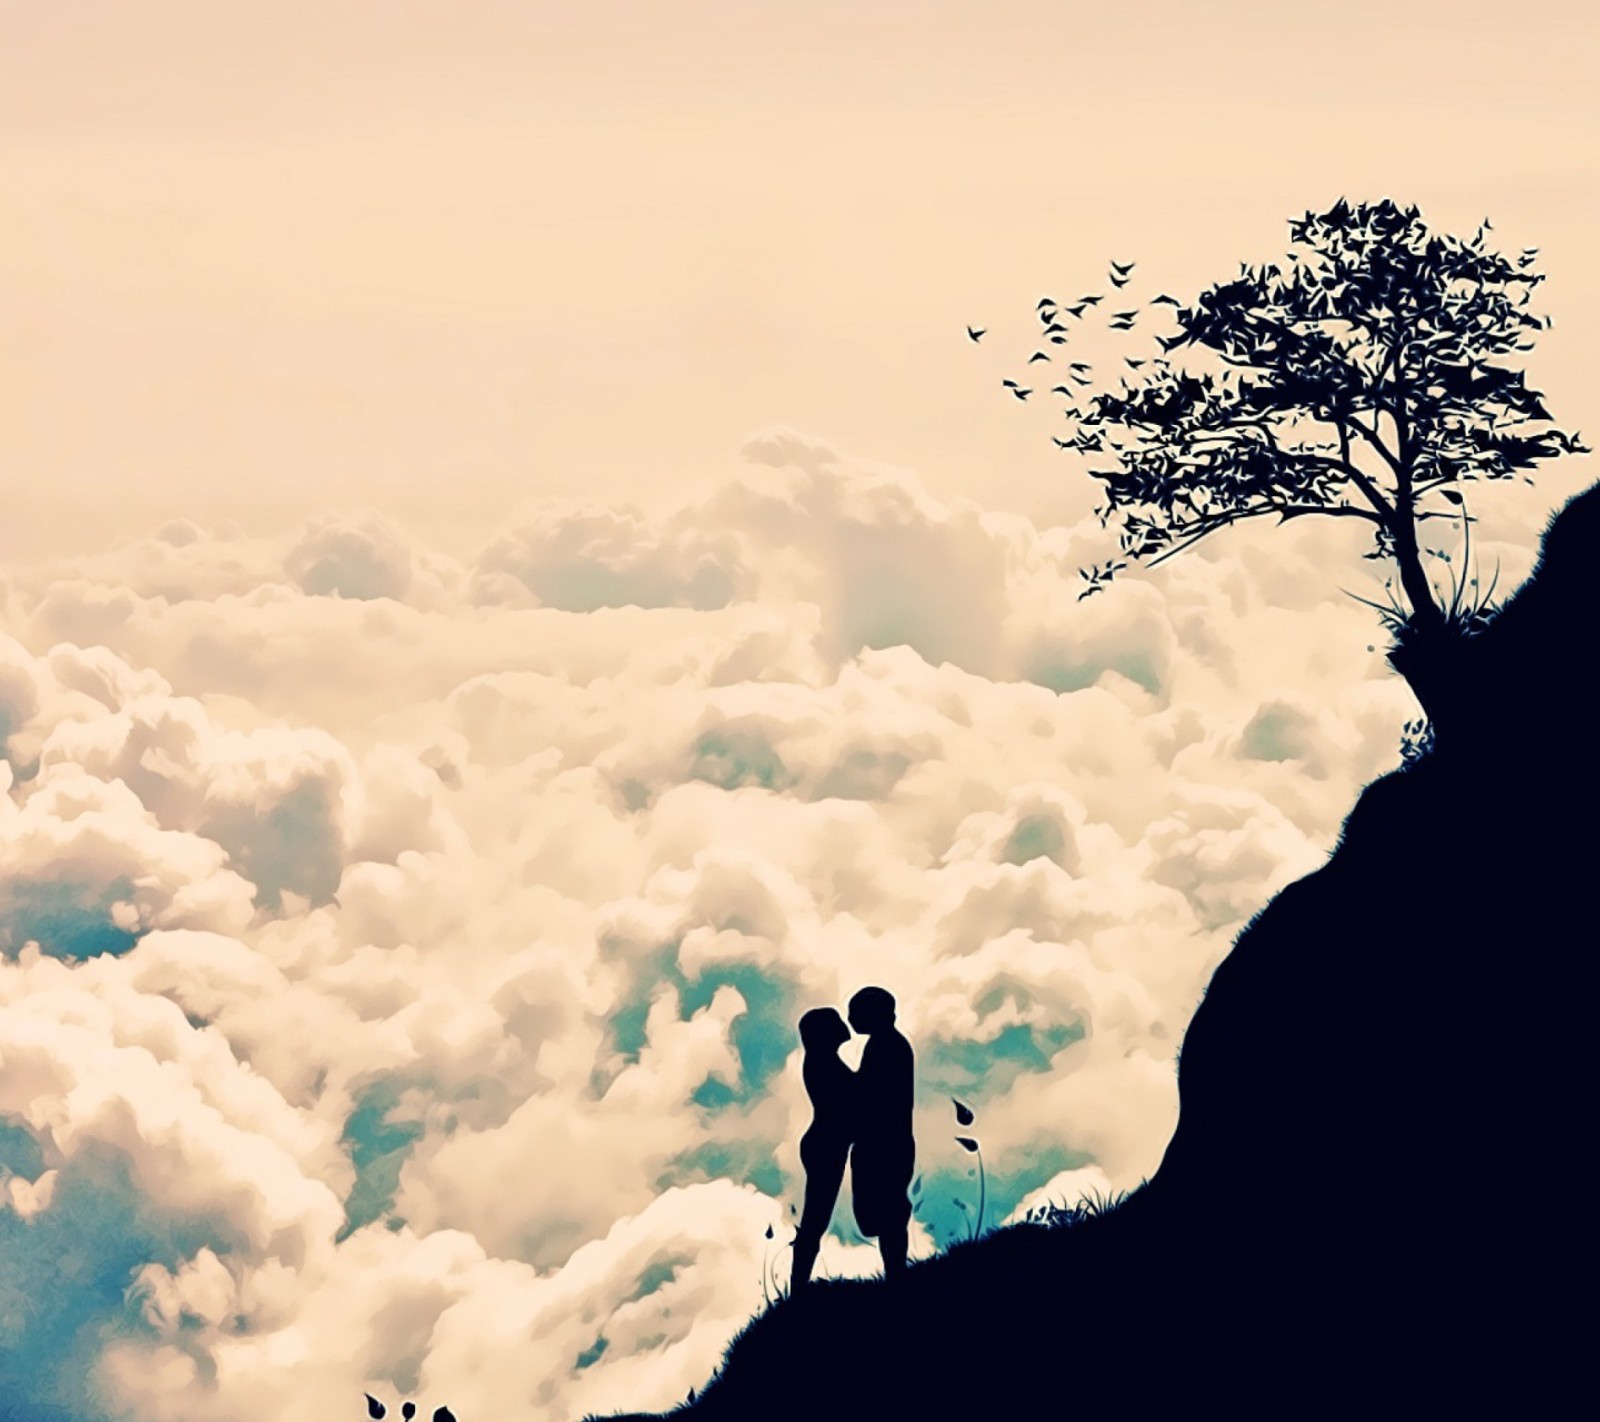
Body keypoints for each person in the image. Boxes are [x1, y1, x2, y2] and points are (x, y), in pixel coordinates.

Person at [847, 985, 915, 1280]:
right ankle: (895, 1272)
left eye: (856, 1013)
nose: (850, 1020)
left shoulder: (890, 1046)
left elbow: (877, 1095)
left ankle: (895, 1273)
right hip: (881, 1140)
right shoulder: (879, 1044)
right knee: (884, 1211)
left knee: (890, 1210)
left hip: (886, 1141)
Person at [791, 1006, 855, 1294]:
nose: (844, 1026)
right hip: (826, 1144)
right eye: (836, 1023)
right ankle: (798, 1287)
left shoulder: (824, 1060)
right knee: (815, 1219)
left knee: (815, 1218)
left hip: (826, 1142)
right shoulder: (822, 1062)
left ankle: (798, 1287)